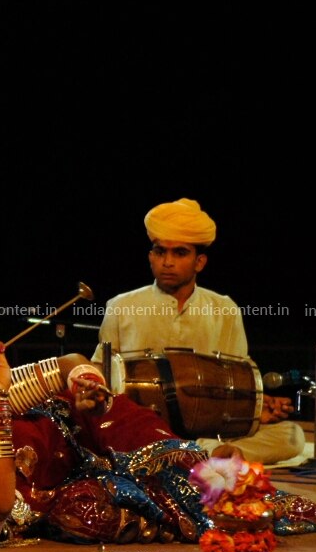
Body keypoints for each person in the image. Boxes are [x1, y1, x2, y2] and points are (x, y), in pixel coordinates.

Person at [0, 342, 316, 548]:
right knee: (82, 513)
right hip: (82, 488)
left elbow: (66, 364)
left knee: (134, 438)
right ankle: (196, 508)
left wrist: (85, 380)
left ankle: (208, 468)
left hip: (90, 435)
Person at [91, 198, 304, 464]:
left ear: (199, 262)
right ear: (150, 257)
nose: (167, 262)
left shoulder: (224, 309)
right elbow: (100, 371)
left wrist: (255, 407)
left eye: (179, 253)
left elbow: (238, 381)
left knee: (292, 436)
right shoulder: (122, 306)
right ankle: (205, 455)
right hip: (141, 425)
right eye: (160, 252)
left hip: (207, 427)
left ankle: (209, 452)